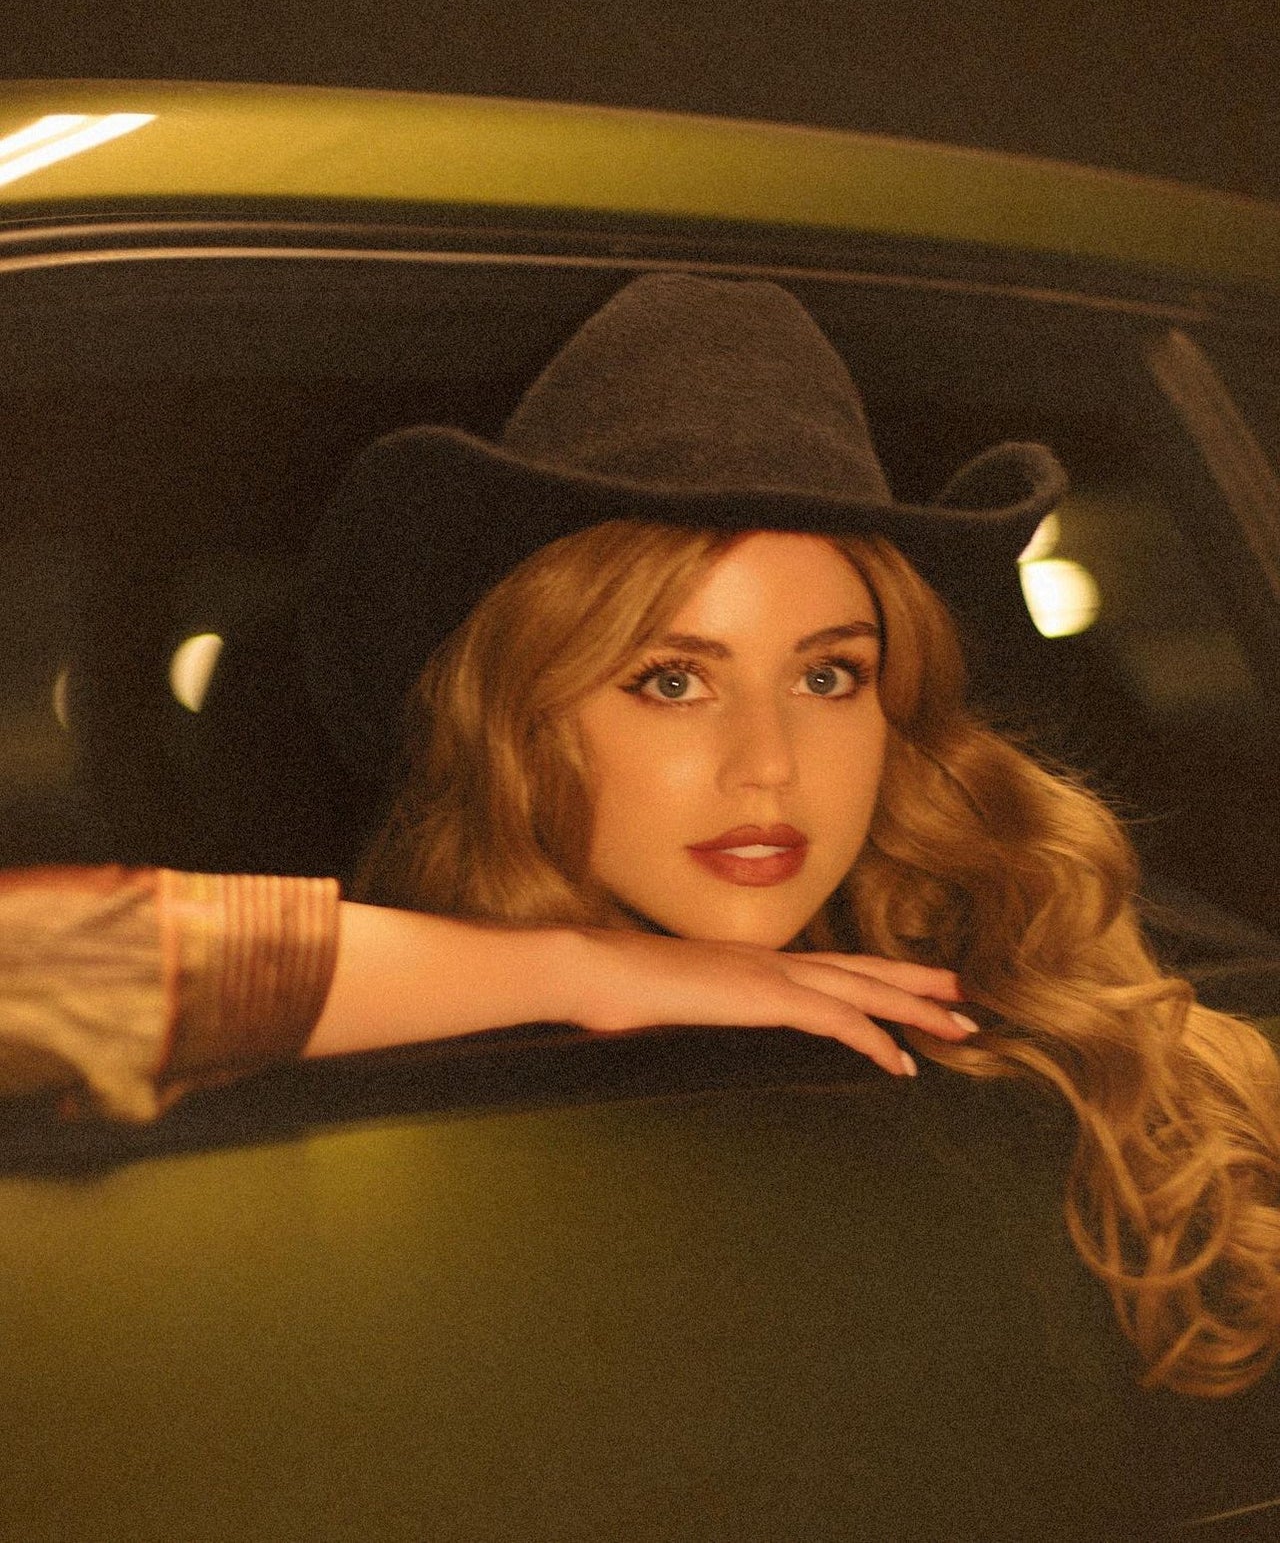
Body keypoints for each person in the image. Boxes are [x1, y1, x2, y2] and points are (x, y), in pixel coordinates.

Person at [3, 273, 1278, 1409]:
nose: (766, 761)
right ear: (525, 719)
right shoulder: (395, 1028)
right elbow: (43, 971)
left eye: (828, 675)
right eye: (671, 678)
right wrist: (574, 968)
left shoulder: (1086, 1018)